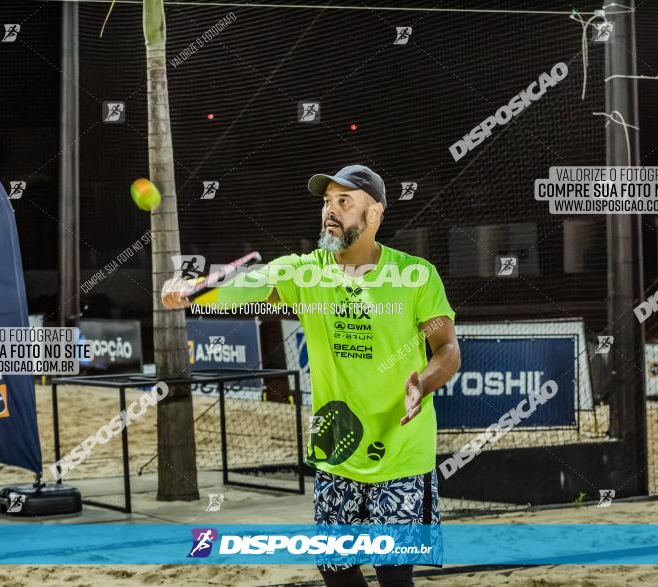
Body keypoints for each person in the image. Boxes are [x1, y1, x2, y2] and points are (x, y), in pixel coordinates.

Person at [162, 164, 460, 587]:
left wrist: (422, 382)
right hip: (336, 448)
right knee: (335, 568)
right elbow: (250, 282)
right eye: (326, 202)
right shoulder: (306, 271)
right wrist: (194, 287)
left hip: (400, 452)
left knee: (393, 574)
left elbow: (446, 348)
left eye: (344, 202)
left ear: (374, 213)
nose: (330, 211)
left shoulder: (415, 276)